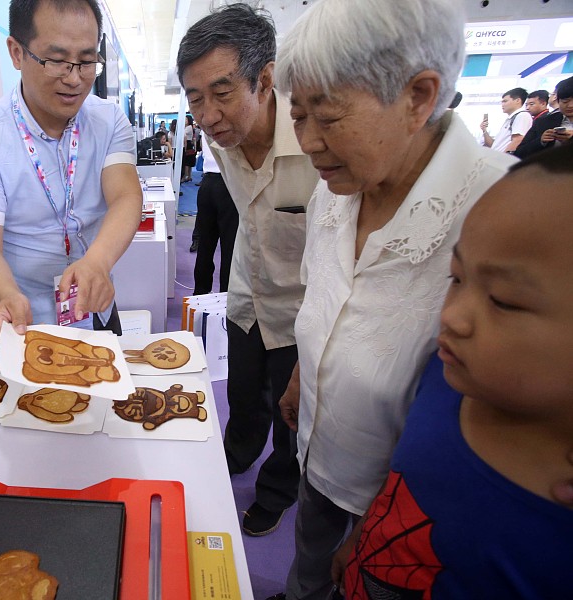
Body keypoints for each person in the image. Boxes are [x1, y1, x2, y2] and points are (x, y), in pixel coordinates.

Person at [273, 0, 516, 598]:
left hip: (416, 507)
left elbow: (506, 411)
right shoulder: (337, 189)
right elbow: (327, 294)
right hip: (322, 449)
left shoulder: (506, 213)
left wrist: (388, 520)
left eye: (327, 118)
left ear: (418, 96)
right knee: (310, 561)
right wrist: (307, 369)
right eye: (297, 116)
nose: (307, 142)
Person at [337, 145, 573, 599]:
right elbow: (401, 488)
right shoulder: (444, 377)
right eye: (457, 278)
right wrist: (358, 539)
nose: (452, 317)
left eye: (504, 300)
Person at [178, 3, 319, 538]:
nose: (208, 115)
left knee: (291, 420)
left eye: (221, 92)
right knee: (241, 394)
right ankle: (236, 454)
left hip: (302, 317)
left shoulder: (316, 145)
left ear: (264, 80)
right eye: (195, 99)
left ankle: (277, 492)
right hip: (245, 299)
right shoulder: (221, 139)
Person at [0, 0, 142, 335]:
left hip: (96, 306)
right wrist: (6, 294)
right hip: (27, 320)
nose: (74, 79)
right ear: (16, 52)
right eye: (56, 61)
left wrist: (97, 261)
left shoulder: (109, 120)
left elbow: (126, 197)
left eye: (86, 62)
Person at [191, 127, 238, 294]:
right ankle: (227, 297)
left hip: (207, 183)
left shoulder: (206, 124)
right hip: (228, 183)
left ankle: (200, 294)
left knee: (205, 244)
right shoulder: (231, 123)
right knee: (229, 246)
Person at [514, 76, 573, 159]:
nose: (570, 106)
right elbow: (519, 153)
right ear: (558, 101)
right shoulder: (543, 122)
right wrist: (541, 141)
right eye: (565, 101)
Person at [480, 87, 532, 153]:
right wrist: (484, 130)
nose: (502, 104)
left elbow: (517, 140)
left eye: (505, 101)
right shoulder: (511, 119)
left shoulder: (522, 115)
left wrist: (503, 159)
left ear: (517, 100)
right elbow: (495, 145)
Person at [182, 114, 196, 182]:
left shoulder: (188, 127)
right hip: (189, 144)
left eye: (186, 119)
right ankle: (189, 176)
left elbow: (183, 133)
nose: (184, 121)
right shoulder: (189, 127)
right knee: (189, 161)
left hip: (188, 144)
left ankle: (186, 176)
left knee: (187, 162)